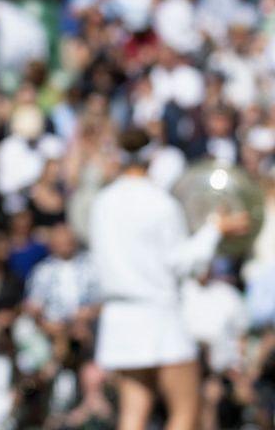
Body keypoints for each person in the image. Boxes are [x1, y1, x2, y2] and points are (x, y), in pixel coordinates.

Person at [89, 127, 249, 430]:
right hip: (158, 315)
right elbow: (182, 263)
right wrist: (216, 229)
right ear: (151, 158)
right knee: (185, 410)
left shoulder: (102, 203)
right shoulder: (160, 203)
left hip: (121, 318)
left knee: (132, 414)